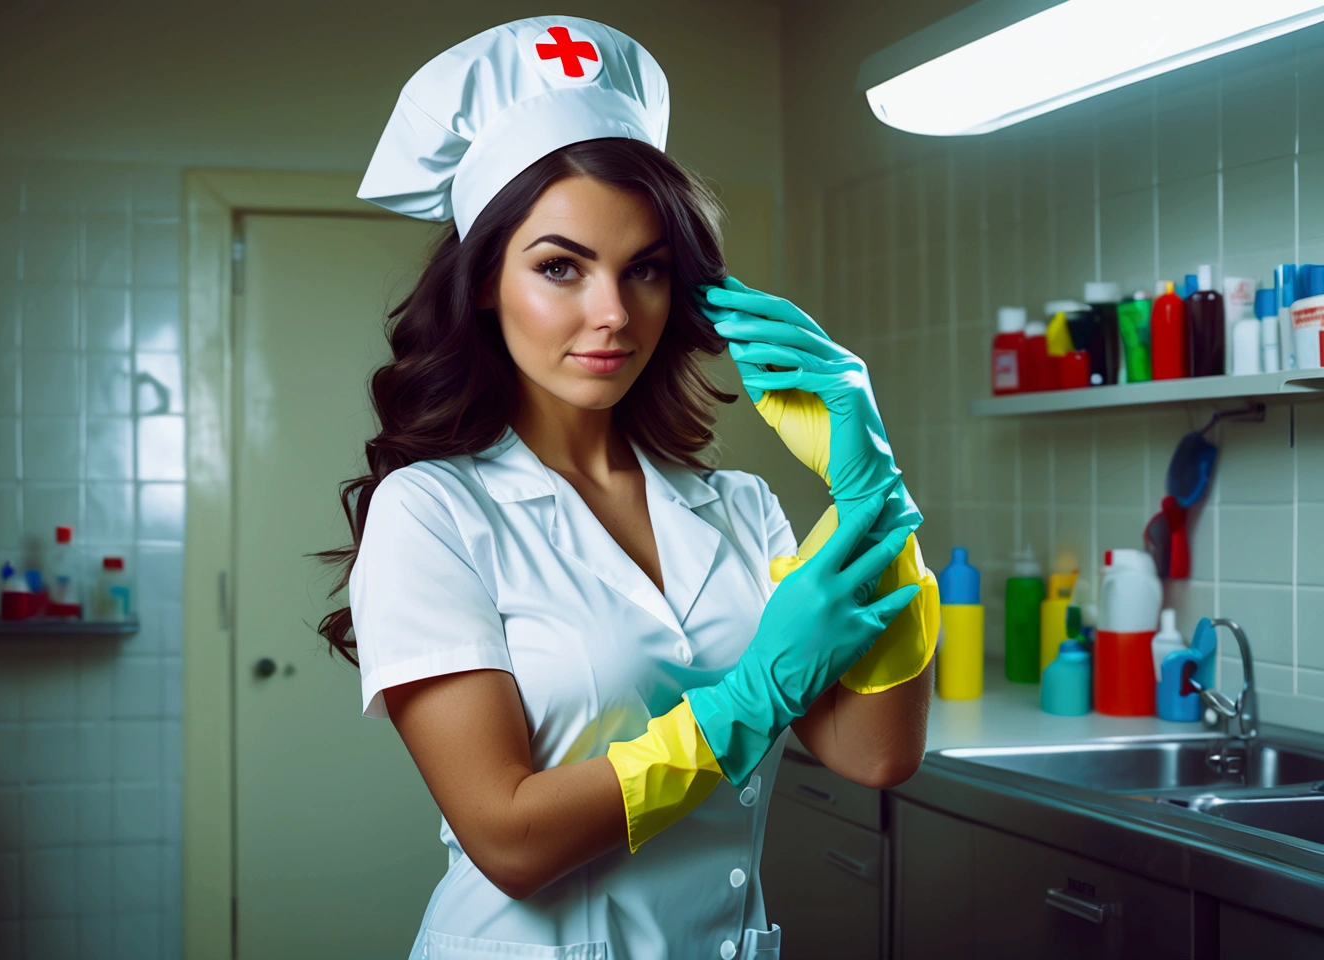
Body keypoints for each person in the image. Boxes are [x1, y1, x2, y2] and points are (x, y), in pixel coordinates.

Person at [315, 17, 939, 960]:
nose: (612, 314)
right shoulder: (435, 513)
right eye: (560, 266)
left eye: (644, 270)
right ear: (486, 282)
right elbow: (509, 838)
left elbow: (876, 753)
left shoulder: (737, 508)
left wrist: (873, 492)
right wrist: (754, 696)